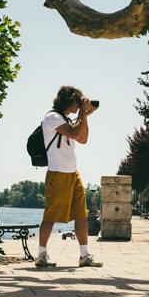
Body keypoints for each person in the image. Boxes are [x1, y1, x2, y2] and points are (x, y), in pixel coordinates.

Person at [36, 85, 102, 268]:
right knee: (51, 215)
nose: (80, 102)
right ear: (68, 100)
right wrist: (81, 114)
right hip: (57, 173)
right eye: (78, 99)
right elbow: (74, 132)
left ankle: (84, 255)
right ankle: (41, 255)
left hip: (73, 173)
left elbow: (83, 139)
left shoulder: (68, 119)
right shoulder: (52, 117)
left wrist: (85, 116)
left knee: (81, 215)